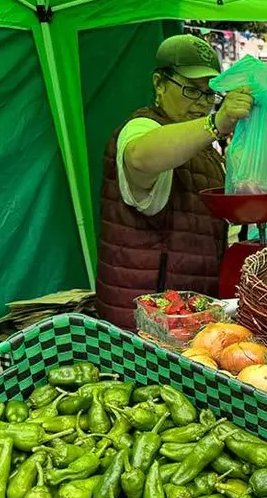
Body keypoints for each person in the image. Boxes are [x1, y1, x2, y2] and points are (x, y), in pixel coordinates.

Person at [95, 34, 252, 329]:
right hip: (143, 324)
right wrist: (216, 123)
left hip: (186, 317)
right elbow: (141, 158)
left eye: (209, 94)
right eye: (192, 90)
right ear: (159, 83)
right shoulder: (141, 127)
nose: (202, 103)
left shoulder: (201, 145)